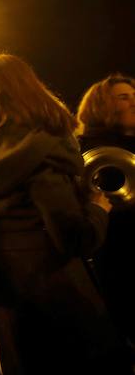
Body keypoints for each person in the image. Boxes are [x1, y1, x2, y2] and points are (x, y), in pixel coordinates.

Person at [0, 53, 127, 374]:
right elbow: (74, 237)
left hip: (9, 305)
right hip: (64, 303)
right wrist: (98, 209)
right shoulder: (41, 150)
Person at [76, 73, 135, 362]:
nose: (134, 103)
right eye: (124, 97)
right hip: (116, 259)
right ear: (102, 106)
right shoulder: (88, 149)